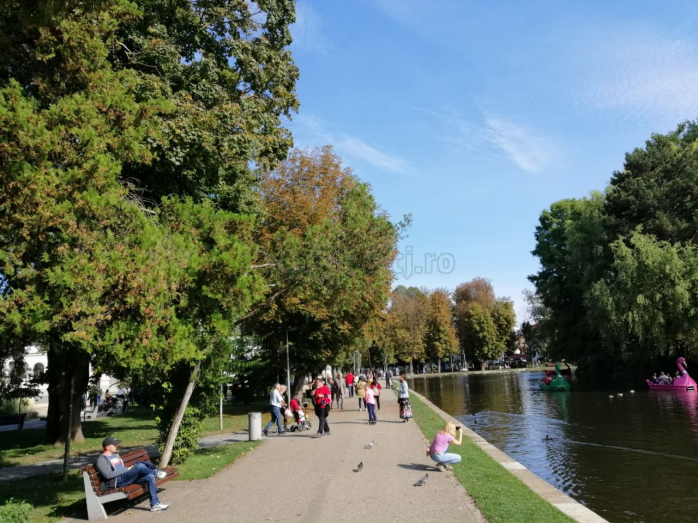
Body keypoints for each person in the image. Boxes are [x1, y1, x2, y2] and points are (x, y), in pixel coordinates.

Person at [95, 437, 169, 512]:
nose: (117, 445)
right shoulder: (101, 460)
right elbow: (108, 475)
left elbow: (121, 468)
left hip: (126, 476)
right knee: (139, 466)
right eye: (114, 444)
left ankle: (155, 504)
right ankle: (156, 472)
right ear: (107, 447)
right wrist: (127, 469)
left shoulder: (114, 456)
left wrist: (128, 469)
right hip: (118, 481)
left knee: (150, 477)